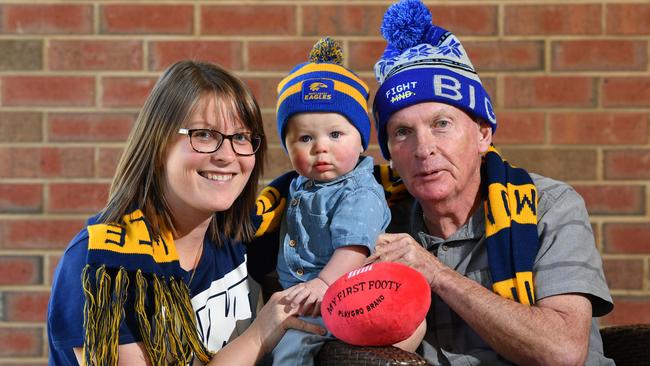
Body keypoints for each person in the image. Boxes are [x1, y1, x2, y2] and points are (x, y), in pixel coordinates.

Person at [365, 0, 614, 365]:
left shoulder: (549, 206)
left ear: (483, 134)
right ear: (389, 152)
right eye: (402, 132)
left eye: (441, 124)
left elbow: (561, 352)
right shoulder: (378, 220)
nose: (423, 149)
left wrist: (436, 274)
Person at [47, 60, 324, 366]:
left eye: (242, 137)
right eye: (204, 134)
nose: (227, 155)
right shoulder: (100, 265)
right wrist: (260, 334)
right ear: (159, 142)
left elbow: (348, 204)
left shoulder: (244, 237)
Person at [266, 37, 405, 365]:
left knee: (292, 353)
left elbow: (354, 248)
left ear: (361, 143)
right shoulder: (299, 185)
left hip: (339, 297)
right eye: (304, 138)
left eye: (335, 134)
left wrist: (324, 283)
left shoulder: (359, 193)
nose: (320, 147)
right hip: (303, 295)